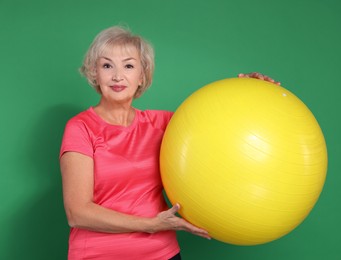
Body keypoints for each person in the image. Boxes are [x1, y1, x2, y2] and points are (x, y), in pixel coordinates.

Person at [59, 25, 279, 260]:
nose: (117, 76)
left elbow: (220, 129)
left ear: (142, 76)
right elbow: (78, 212)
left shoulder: (163, 124)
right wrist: (150, 224)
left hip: (162, 254)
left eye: (129, 65)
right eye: (107, 65)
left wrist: (249, 91)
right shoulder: (81, 128)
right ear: (95, 72)